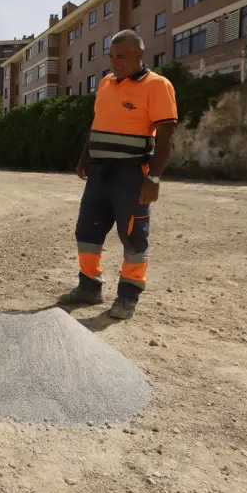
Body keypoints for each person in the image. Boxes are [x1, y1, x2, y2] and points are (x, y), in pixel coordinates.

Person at [59, 29, 177, 319]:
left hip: (131, 173)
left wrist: (154, 178)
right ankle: (89, 287)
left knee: (133, 235)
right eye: (112, 57)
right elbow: (97, 123)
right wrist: (84, 157)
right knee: (87, 230)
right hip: (100, 172)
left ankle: (128, 296)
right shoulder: (106, 83)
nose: (115, 62)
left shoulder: (158, 85)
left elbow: (166, 135)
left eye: (122, 57)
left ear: (140, 55)